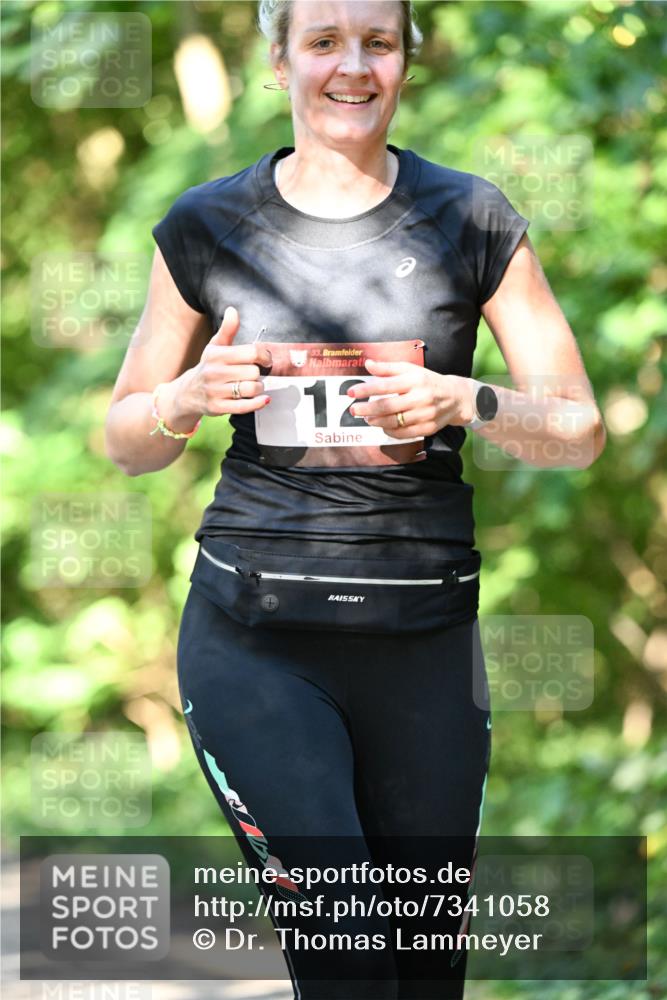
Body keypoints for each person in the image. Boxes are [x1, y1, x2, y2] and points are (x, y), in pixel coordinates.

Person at [105, 2, 606, 997]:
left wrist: (464, 399)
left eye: (378, 41)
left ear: (407, 60)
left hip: (424, 644)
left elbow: (578, 428)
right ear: (277, 60)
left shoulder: (472, 217)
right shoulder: (206, 225)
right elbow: (125, 439)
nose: (352, 66)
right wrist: (184, 397)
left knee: (421, 975)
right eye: (323, 41)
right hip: (254, 638)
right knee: (345, 957)